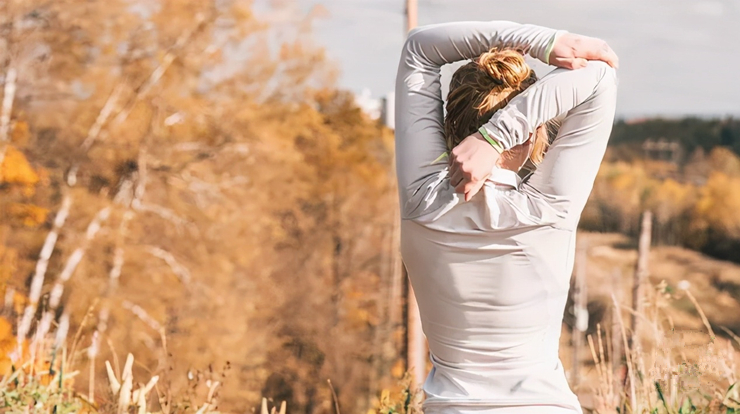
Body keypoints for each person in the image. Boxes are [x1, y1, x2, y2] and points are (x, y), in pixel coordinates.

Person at [394, 20, 618, 414]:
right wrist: (496, 136)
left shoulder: (421, 201)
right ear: (532, 134)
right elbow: (599, 76)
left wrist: (547, 43)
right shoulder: (549, 210)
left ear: (447, 126)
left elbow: (419, 48)